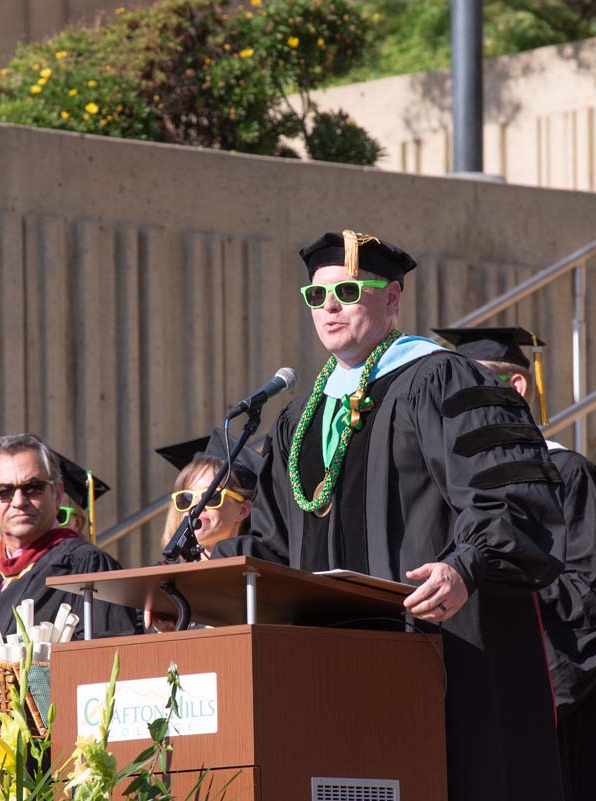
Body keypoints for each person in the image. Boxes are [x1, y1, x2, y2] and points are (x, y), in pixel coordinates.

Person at [213, 230, 568, 801]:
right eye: (316, 295)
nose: (328, 306)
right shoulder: (298, 417)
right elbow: (273, 544)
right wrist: (200, 586)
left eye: (348, 291)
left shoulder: (442, 378)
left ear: (393, 298)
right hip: (330, 661)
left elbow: (511, 498)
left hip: (441, 645)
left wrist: (465, 566)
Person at [435, 325, 596, 801]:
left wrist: (532, 700)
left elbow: (590, 599)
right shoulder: (458, 486)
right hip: (482, 697)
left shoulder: (569, 474)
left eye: (470, 387)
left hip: (555, 699)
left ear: (516, 387)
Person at [0, 434, 139, 639]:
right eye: (3, 491)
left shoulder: (88, 567)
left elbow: (106, 656)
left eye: (32, 488)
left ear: (57, 493)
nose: (18, 501)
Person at [156, 432, 259, 558]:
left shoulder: (258, 574)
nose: (195, 507)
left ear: (243, 510)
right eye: (186, 498)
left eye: (211, 497)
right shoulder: (166, 576)